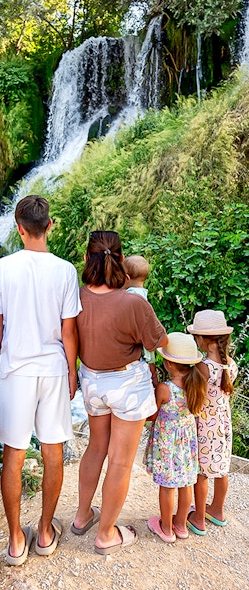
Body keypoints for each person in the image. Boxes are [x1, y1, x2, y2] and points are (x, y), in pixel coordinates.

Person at [0, 194, 81, 565]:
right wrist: (72, 372)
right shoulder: (66, 271)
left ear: (19, 228)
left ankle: (14, 542)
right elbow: (68, 330)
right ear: (49, 226)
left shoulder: (3, 268)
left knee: (14, 456)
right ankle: (43, 532)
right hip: (54, 369)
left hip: (15, 371)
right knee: (52, 451)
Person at [71, 230, 167, 554]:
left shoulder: (76, 297)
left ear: (86, 260)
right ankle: (106, 534)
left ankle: (82, 516)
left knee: (95, 448)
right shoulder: (132, 302)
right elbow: (159, 341)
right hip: (127, 385)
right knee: (121, 462)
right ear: (122, 261)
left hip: (92, 383)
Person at [144, 332, 206, 543]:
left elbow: (152, 415)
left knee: (167, 485)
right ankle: (180, 525)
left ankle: (166, 528)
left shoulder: (165, 388)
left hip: (168, 443)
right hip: (187, 442)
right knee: (186, 483)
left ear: (169, 364)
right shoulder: (196, 384)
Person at [186, 309, 238, 535]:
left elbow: (194, 399)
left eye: (197, 336)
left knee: (202, 473)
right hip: (224, 426)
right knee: (221, 469)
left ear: (204, 339)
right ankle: (217, 510)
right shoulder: (230, 364)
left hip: (206, 427)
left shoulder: (203, 367)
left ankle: (198, 518)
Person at [124, 255, 158, 386]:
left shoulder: (130, 297)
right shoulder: (143, 294)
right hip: (148, 350)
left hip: (141, 353)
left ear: (126, 278)